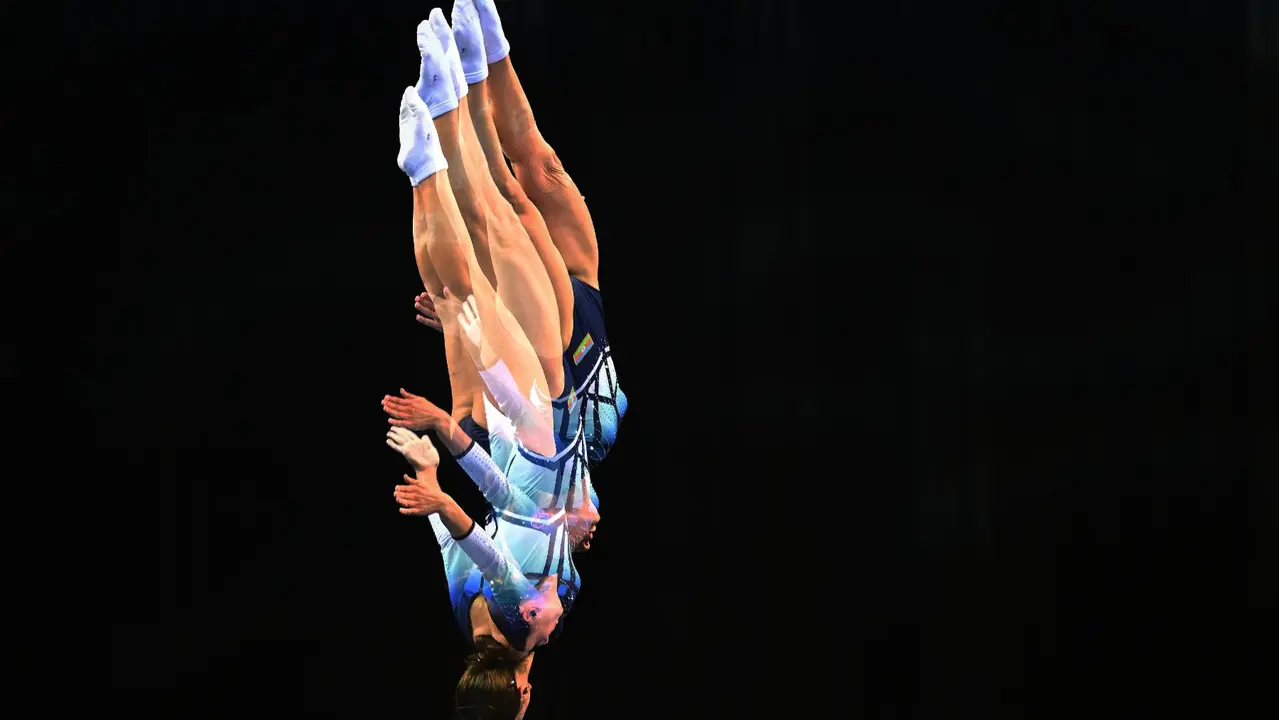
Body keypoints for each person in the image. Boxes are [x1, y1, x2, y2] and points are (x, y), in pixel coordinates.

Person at [415, 0, 628, 467]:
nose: (586, 530)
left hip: (551, 349)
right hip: (585, 306)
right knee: (540, 165)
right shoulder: (584, 478)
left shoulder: (536, 479)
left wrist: (465, 323)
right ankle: (491, 49)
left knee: (503, 205)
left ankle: (457, 89)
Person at [383, 424, 555, 720]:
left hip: (535, 469)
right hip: (515, 471)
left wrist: (444, 500)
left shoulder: (521, 624)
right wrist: (428, 473)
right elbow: (452, 543)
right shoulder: (467, 616)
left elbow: (491, 559)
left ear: (523, 694)